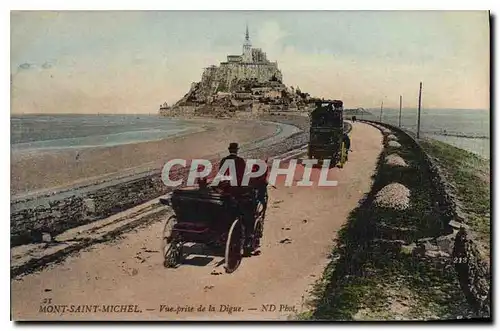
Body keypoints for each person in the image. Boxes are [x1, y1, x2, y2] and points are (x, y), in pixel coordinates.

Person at [218, 143, 253, 255]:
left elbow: (220, 177)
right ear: (237, 150)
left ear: (229, 150)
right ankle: (248, 237)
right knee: (248, 212)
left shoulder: (224, 161)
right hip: (237, 192)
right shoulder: (240, 161)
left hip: (226, 192)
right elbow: (245, 176)